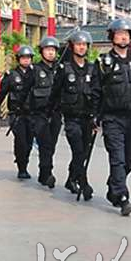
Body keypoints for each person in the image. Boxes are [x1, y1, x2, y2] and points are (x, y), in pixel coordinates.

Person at [92, 18, 131, 216]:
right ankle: (122, 197)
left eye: (126, 34)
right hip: (112, 118)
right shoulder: (103, 63)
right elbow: (95, 91)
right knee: (117, 159)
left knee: (128, 161)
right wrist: (94, 117)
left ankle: (114, 187)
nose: (123, 37)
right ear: (112, 37)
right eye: (119, 34)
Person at [48, 30, 98, 201]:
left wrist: (98, 116)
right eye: (78, 44)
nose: (81, 47)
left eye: (84, 45)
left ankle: (71, 179)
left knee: (83, 152)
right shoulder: (64, 69)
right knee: (78, 150)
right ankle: (84, 183)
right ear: (72, 46)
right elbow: (55, 93)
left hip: (88, 119)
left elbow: (98, 93)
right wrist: (49, 114)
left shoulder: (93, 69)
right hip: (71, 119)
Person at [0, 45, 35, 179]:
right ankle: (21, 168)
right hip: (16, 114)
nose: (26, 60)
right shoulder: (11, 75)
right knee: (21, 141)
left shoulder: (35, 74)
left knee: (29, 142)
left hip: (31, 113)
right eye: (23, 57)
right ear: (19, 59)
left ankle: (24, 162)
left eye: (28, 57)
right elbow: (2, 92)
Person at [29, 36, 62, 188]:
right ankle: (47, 173)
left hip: (55, 113)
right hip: (40, 114)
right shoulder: (34, 70)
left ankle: (44, 172)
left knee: (51, 145)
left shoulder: (60, 69)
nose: (50, 53)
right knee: (45, 145)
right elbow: (26, 92)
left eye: (53, 50)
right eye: (48, 49)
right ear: (41, 51)